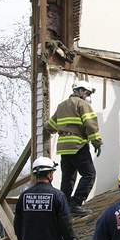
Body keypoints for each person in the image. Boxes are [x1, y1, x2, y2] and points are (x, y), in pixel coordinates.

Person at [44, 80, 103, 217]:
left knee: (68, 178)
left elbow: (50, 126)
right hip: (77, 145)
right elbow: (90, 125)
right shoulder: (82, 104)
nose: (88, 96)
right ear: (80, 91)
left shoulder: (61, 106)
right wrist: (97, 143)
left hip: (64, 147)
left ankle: (63, 207)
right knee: (89, 174)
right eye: (87, 93)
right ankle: (75, 204)